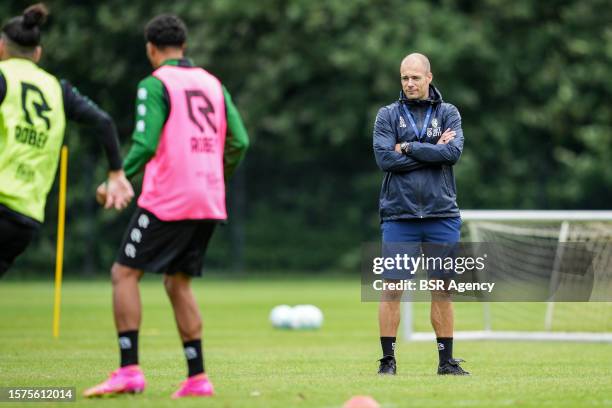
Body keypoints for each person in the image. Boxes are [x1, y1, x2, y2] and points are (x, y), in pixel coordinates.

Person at [84, 14, 249, 399]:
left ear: (151, 50)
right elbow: (240, 141)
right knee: (178, 283)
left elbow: (145, 142)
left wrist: (116, 177)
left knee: (124, 273)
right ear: (184, 47)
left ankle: (128, 370)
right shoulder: (213, 83)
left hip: (170, 197)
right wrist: (215, 173)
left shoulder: (154, 84)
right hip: (209, 198)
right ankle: (197, 378)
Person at [0, 4, 133, 278]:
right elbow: (104, 122)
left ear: (1, 48)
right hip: (26, 216)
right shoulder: (57, 90)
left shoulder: (3, 78)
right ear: (38, 53)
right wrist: (116, 172)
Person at [372, 53, 468, 376]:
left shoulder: (449, 112)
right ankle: (387, 361)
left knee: (443, 289)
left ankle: (446, 363)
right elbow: (385, 160)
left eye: (415, 77)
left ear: (429, 77)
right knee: (391, 288)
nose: (409, 83)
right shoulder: (387, 115)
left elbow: (452, 153)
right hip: (399, 216)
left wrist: (408, 147)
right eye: (404, 78)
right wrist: (431, 150)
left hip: (442, 214)